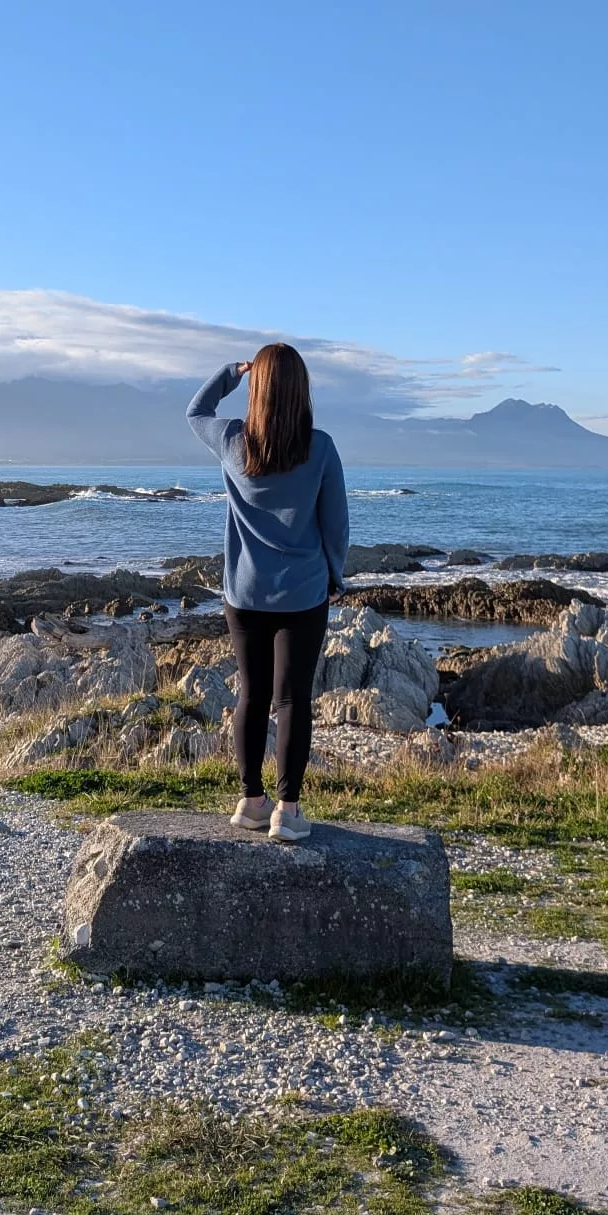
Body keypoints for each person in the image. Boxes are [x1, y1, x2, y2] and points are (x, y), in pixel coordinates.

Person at [186, 344, 348, 842]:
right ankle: (288, 810)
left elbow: (196, 411)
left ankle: (251, 800)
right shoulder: (319, 448)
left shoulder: (233, 440)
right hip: (302, 594)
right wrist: (334, 576)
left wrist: (230, 373)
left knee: (251, 697)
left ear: (257, 388)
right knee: (292, 700)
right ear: (302, 390)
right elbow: (335, 526)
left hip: (244, 593)